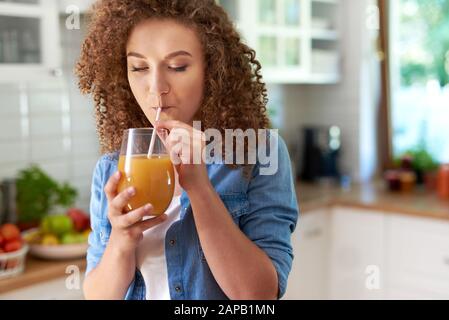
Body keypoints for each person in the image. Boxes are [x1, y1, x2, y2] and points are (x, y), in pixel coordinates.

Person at [76, 0, 299, 300]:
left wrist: (199, 188)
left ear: (212, 68)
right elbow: (97, 296)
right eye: (139, 67)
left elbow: (259, 297)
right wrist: (121, 240)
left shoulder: (258, 154)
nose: (156, 87)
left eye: (178, 66)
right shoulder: (113, 166)